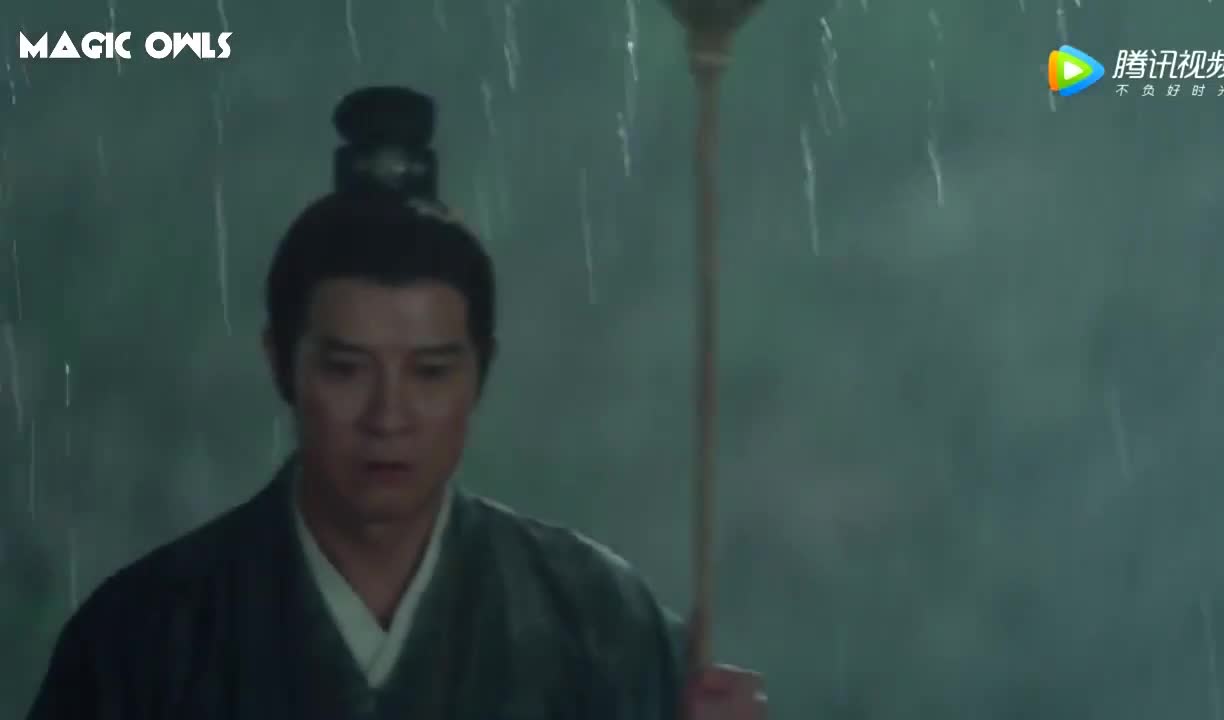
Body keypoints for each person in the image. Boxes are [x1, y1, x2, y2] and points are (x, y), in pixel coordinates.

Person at [26, 87, 766, 719]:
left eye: (431, 373)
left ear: (481, 371)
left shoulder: (597, 619)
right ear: (281, 363)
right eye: (346, 370)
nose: (389, 417)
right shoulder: (148, 635)